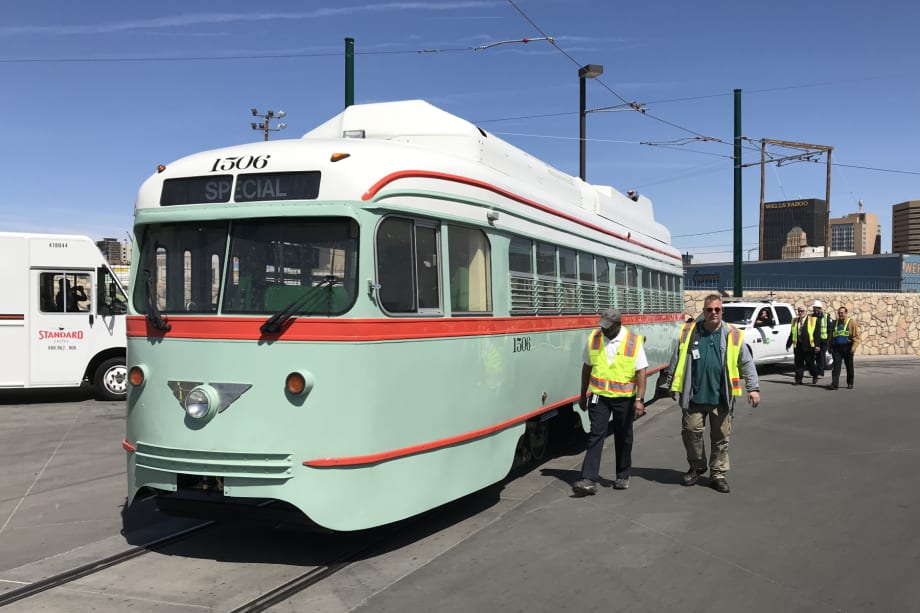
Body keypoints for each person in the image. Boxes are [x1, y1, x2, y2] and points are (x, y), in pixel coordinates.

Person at [661, 294, 760, 494]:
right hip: (694, 395)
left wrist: (753, 388)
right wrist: (671, 381)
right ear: (703, 311)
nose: (713, 313)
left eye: (717, 309)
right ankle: (697, 466)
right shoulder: (690, 332)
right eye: (709, 310)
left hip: (721, 396)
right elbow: (677, 356)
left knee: (721, 437)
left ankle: (718, 474)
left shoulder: (732, 334)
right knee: (690, 432)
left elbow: (746, 362)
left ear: (722, 311)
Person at [572, 308, 648, 496]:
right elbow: (586, 367)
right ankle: (588, 478)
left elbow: (641, 373)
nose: (603, 330)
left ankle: (623, 474)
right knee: (596, 434)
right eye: (602, 326)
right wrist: (583, 394)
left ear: (618, 325)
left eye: (607, 327)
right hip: (600, 396)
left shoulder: (632, 342)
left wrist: (639, 399)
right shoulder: (595, 339)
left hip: (624, 397)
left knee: (624, 436)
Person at [827, 306, 860, 390]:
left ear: (846, 313)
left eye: (842, 313)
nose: (840, 314)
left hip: (847, 347)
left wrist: (853, 348)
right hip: (837, 348)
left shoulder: (852, 322)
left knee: (849, 366)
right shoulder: (835, 323)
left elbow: (856, 337)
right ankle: (834, 384)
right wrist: (829, 347)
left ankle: (850, 383)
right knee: (836, 367)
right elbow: (831, 336)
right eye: (839, 313)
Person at [786, 305, 820, 384]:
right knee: (798, 363)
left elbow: (817, 334)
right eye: (799, 311)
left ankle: (815, 375)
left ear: (806, 311)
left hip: (809, 346)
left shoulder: (813, 320)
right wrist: (788, 343)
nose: (800, 313)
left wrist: (817, 345)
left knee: (810, 363)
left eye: (802, 311)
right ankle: (798, 380)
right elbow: (792, 333)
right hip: (798, 345)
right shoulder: (794, 320)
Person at [811, 300, 831, 378]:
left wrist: (828, 340)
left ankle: (820, 372)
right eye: (815, 308)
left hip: (822, 340)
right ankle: (814, 371)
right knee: (812, 357)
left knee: (820, 357)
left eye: (817, 308)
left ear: (820, 309)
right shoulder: (811, 317)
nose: (816, 309)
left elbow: (830, 329)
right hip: (813, 340)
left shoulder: (826, 317)